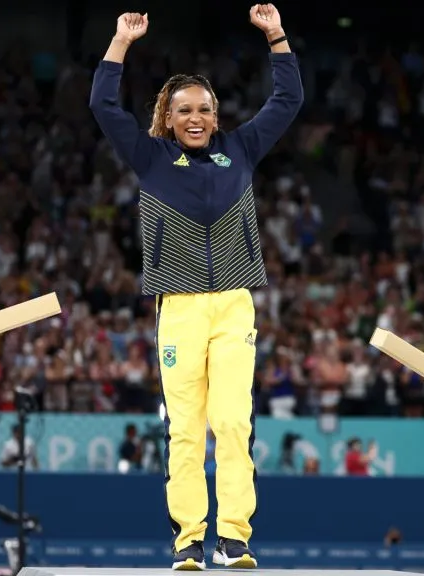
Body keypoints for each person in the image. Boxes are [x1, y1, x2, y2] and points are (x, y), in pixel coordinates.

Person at [89, 4, 303, 570]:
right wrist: (119, 44)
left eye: (204, 109)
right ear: (168, 114)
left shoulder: (242, 150)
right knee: (185, 429)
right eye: (184, 109)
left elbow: (288, 101)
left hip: (234, 305)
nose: (196, 117)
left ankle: (235, 538)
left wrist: (276, 36)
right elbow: (103, 106)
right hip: (178, 308)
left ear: (215, 115)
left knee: (233, 422)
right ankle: (189, 540)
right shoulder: (150, 157)